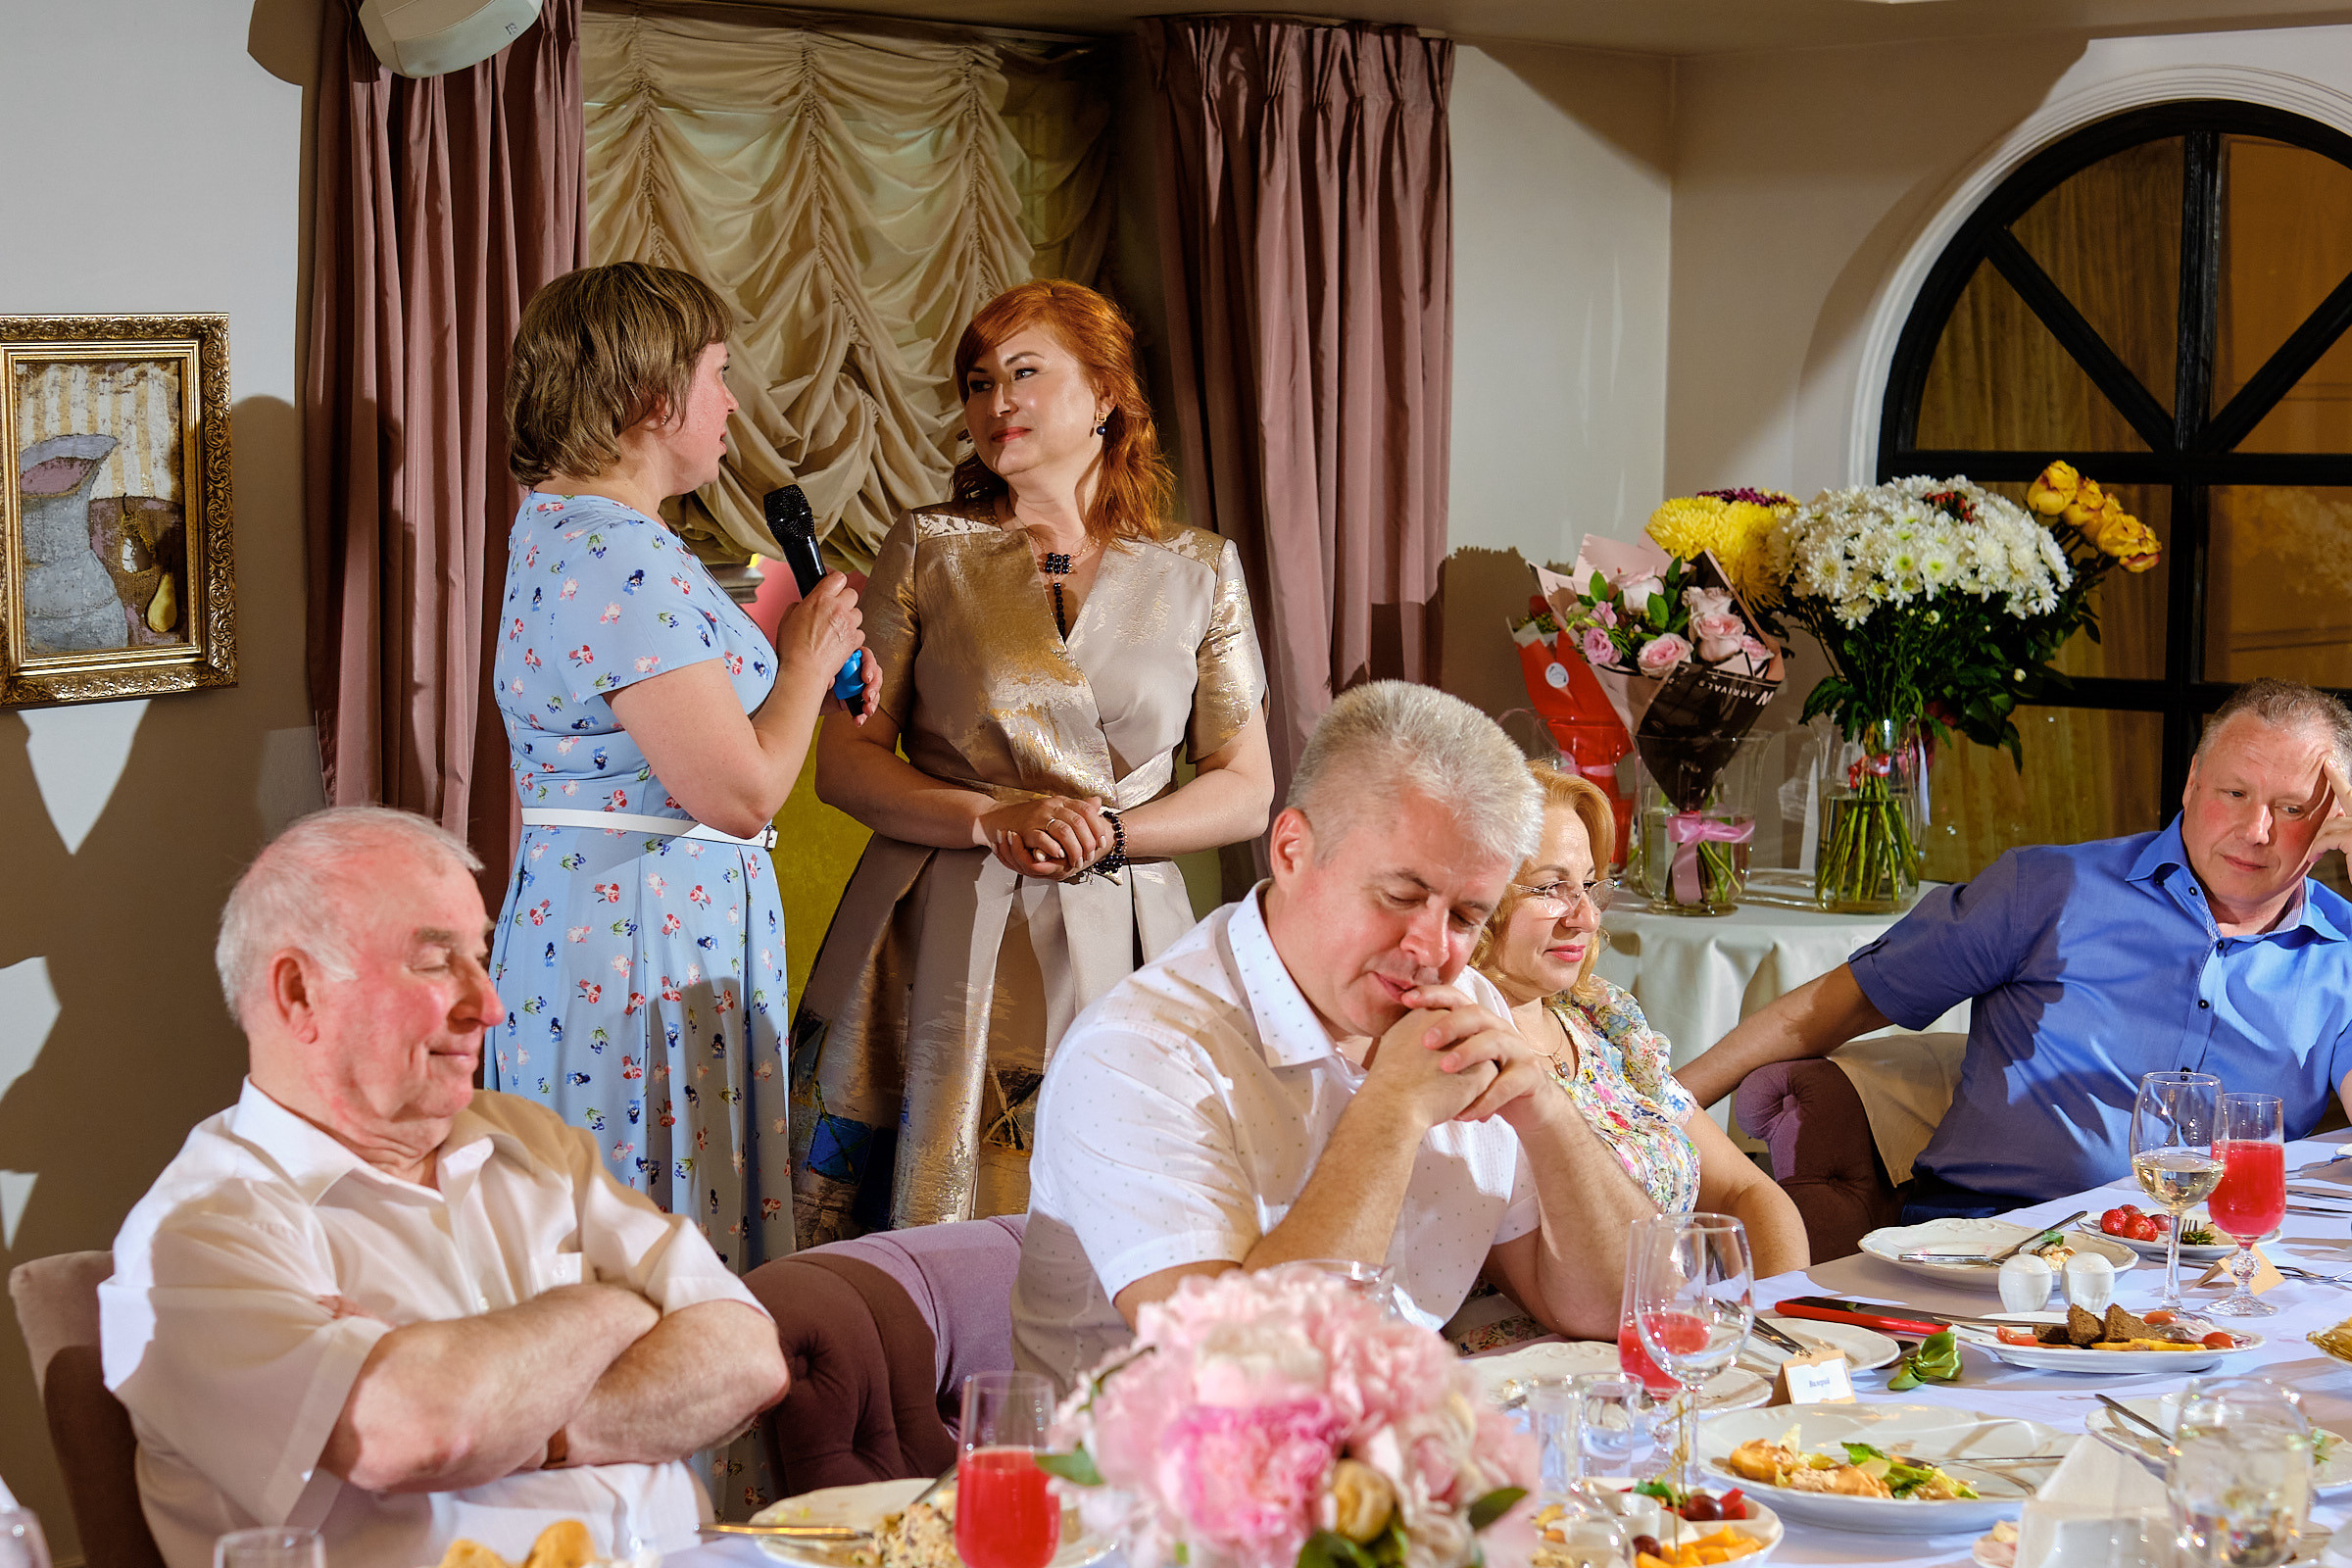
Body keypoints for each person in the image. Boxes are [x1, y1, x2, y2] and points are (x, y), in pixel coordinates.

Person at [101, 808, 789, 1568]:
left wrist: (531, 1421)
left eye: (480, 955)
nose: (488, 1007)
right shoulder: (200, 1235)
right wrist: (617, 1305)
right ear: (298, 993)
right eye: (435, 963)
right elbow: (425, 1432)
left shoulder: (530, 1142)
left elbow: (748, 1356)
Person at [790, 279, 1273, 1244]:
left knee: (1115, 1207)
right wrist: (991, 818)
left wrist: (1114, 831)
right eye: (977, 383)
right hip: (944, 928)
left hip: (1126, 931)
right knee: (923, 1213)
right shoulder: (930, 548)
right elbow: (845, 766)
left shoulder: (1198, 569)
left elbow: (1246, 787)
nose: (995, 402)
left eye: (1022, 373)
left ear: (1103, 395)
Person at [1010, 681, 1654, 1393]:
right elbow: (1251, 1381)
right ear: (1291, 851)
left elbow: (1622, 1312)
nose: (1431, 948)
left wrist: (1547, 1112)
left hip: (1380, 1468)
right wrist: (1391, 1110)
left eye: (1467, 917)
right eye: (1400, 897)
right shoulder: (1140, 1055)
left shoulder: (1465, 1004)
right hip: (1136, 1486)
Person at [487, 262, 876, 1267]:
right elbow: (740, 791)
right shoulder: (619, 552)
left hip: (611, 921)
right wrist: (804, 661)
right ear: (650, 397)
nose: (731, 400)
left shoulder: (571, 531)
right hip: (641, 940)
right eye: (717, 373)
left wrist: (799, 668)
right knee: (656, 1250)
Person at [1675, 676, 2352, 1219]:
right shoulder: (2050, 888)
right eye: (2234, 793)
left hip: (2211, 1269)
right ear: (2192, 783)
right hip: (1995, 1242)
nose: (2256, 829)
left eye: (2293, 809)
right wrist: (1657, 1106)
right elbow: (1841, 1002)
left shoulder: (2343, 952)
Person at [1473, 760, 1809, 1277]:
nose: (1584, 917)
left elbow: (1747, 1191)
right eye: (1549, 889)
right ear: (1471, 897)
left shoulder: (1603, 1019)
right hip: (1547, 1350)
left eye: (1587, 886)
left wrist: (1782, 1318)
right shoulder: (1464, 1051)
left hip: (1681, 1331)